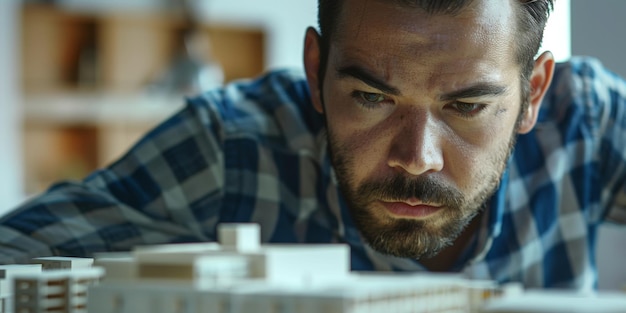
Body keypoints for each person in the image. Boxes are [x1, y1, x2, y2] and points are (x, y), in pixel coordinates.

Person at [1, 0, 625, 292]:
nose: (417, 157)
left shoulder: (587, 125)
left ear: (534, 91)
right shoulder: (234, 145)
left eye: (466, 106)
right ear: (316, 70)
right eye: (371, 98)